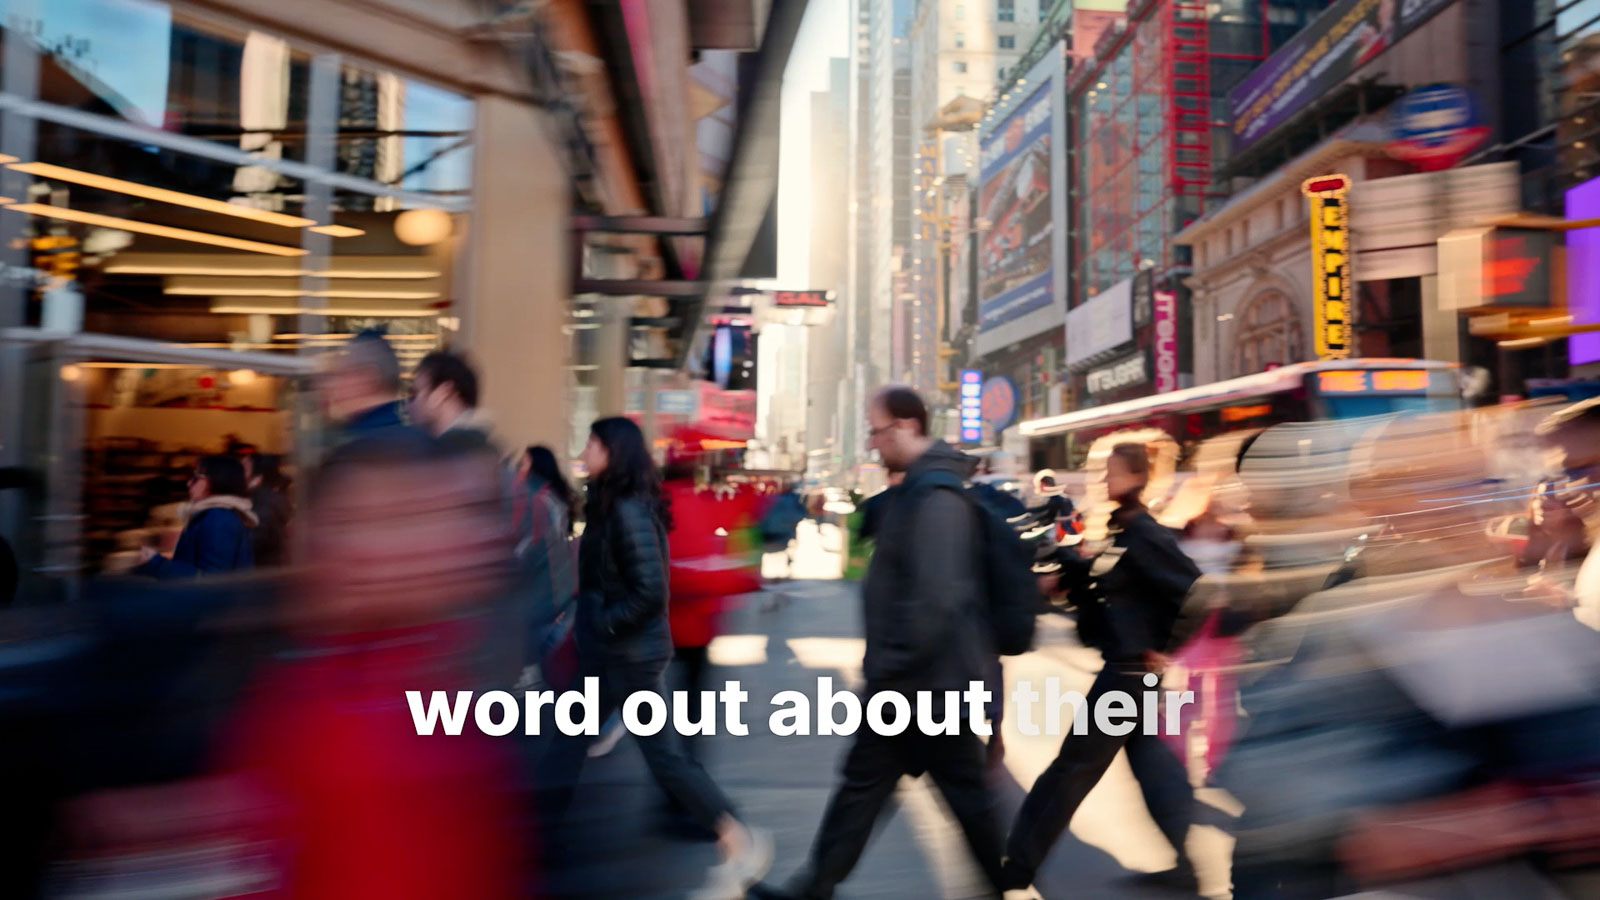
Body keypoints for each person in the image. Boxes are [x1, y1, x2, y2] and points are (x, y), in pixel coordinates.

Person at [751, 387, 1008, 900]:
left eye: (877, 430)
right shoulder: (920, 490)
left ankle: (1004, 883)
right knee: (867, 788)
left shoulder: (937, 498)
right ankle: (815, 887)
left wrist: (892, 665)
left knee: (958, 797)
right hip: (911, 683)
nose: (872, 442)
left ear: (908, 426)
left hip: (925, 687)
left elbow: (939, 598)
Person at [537, 417, 771, 899]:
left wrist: (602, 622)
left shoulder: (627, 509)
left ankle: (736, 837)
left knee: (663, 758)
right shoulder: (610, 503)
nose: (584, 451)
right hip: (610, 654)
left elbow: (649, 591)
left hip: (626, 657)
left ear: (612, 450)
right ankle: (532, 843)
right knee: (568, 745)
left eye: (592, 443)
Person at [1002, 442, 1202, 893]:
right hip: (1133, 673)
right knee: (1153, 768)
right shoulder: (1122, 528)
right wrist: (1074, 573)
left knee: (1071, 770)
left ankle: (1016, 865)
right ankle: (1187, 868)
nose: (1102, 480)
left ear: (1136, 477)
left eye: (1110, 472)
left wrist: (1164, 647)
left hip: (1128, 675)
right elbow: (1116, 589)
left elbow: (1192, 590)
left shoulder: (1144, 532)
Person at [513, 445, 579, 693]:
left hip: (540, 601)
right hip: (560, 599)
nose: (518, 469)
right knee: (554, 677)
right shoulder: (554, 497)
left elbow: (525, 553)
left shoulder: (536, 500)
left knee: (538, 681)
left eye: (523, 464)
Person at [134, 455, 257, 579]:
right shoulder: (216, 515)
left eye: (195, 478)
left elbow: (212, 580)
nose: (188, 483)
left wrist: (156, 562)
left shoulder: (219, 519)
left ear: (216, 480)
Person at [318, 330, 415, 442]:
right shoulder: (404, 435)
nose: (334, 384)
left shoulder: (366, 444)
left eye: (343, 372)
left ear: (370, 377)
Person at [408, 350, 496, 453]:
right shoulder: (482, 450)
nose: (408, 406)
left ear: (442, 393)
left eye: (415, 394)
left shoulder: (452, 456)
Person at [243, 453, 291, 567]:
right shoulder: (270, 498)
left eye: (244, 468)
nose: (238, 473)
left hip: (263, 569)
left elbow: (254, 542)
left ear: (258, 478)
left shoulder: (261, 501)